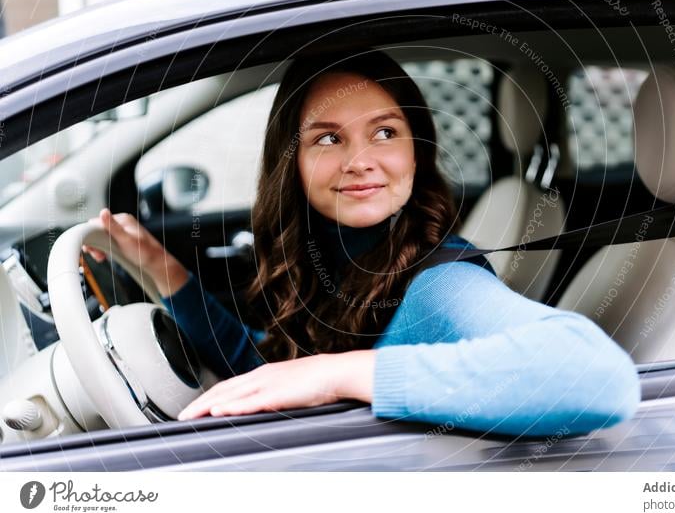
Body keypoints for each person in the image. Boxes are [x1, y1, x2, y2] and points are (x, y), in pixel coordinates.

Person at [85, 48, 640, 437]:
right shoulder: (335, 266)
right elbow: (271, 370)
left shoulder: (440, 284)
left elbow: (596, 375)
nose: (360, 161)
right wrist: (162, 271)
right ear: (292, 164)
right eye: (329, 138)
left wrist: (337, 374)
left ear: (415, 151)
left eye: (385, 132)